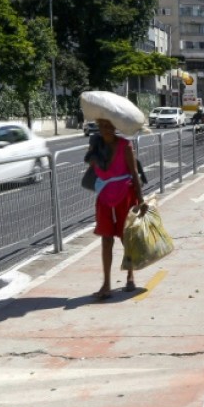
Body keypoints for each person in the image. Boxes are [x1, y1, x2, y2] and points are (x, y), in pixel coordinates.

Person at [85, 118, 148, 300]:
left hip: (125, 195)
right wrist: (92, 152)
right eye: (102, 126)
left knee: (125, 238)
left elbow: (134, 172)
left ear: (115, 127)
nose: (106, 130)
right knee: (106, 239)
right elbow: (92, 167)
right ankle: (106, 284)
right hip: (104, 197)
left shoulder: (125, 145)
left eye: (109, 126)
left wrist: (141, 200)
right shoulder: (96, 145)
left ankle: (130, 274)